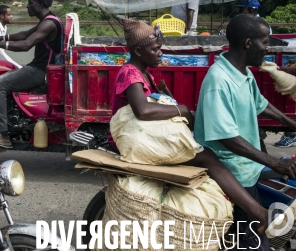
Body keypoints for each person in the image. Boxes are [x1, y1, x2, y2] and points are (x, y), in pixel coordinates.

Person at [113, 19, 271, 242]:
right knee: (209, 158)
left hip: (141, 135)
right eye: (155, 49)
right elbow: (142, 110)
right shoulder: (130, 73)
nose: (160, 54)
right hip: (131, 138)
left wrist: (166, 97)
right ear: (139, 51)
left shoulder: (143, 72)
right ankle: (258, 213)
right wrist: (183, 109)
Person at [194, 14, 296, 249]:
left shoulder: (243, 72)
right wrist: (273, 161)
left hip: (249, 164)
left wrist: (292, 124)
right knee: (255, 243)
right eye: (265, 41)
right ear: (248, 43)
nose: (268, 48)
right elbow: (225, 137)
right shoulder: (219, 80)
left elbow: (261, 104)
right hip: (232, 168)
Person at [0, 0, 62, 148]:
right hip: (43, 69)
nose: (27, 6)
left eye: (30, 3)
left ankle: (0, 133)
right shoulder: (48, 20)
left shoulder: (49, 24)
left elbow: (25, 44)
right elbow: (23, 34)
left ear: (39, 4)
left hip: (40, 71)